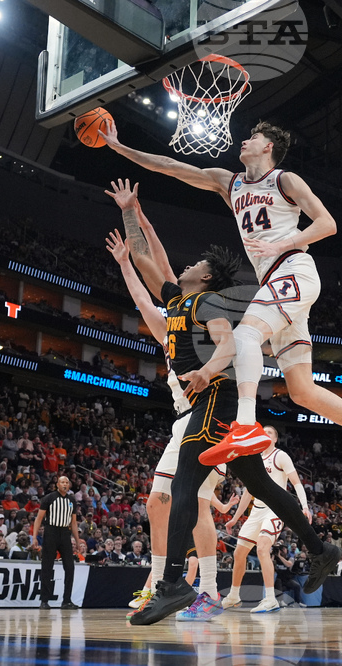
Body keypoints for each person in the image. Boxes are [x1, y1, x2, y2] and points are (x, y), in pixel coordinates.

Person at [100, 121, 342, 492]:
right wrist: (119, 147)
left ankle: (244, 425)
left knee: (246, 333)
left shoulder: (285, 180)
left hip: (293, 269)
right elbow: (170, 166)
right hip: (276, 282)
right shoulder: (230, 183)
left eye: (253, 137)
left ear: (268, 148)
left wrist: (284, 243)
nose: (244, 140)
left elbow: (328, 224)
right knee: (302, 391)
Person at [104, 186, 340, 626]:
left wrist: (206, 372)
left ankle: (173, 584)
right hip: (214, 401)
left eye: (195, 265)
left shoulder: (208, 302)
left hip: (216, 399)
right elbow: (143, 255)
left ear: (208, 277)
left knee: (183, 488)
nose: (186, 265)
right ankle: (321, 549)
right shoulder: (178, 299)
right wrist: (131, 211)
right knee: (262, 485)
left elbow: (229, 344)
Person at [105, 210, 235, 619]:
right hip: (194, 418)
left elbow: (159, 272)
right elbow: (147, 294)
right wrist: (129, 255)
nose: (182, 269)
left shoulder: (194, 318)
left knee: (174, 501)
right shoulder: (170, 329)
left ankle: (186, 586)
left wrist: (142, 222)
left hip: (207, 412)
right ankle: (181, 587)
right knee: (173, 503)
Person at [223, 425, 311, 613]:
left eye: (269, 432)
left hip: (275, 509)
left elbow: (296, 482)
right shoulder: (254, 459)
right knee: (239, 553)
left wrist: (304, 506)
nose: (265, 434)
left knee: (263, 548)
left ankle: (270, 599)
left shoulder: (280, 456)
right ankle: (234, 595)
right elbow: (248, 493)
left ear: (275, 439)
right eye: (263, 432)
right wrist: (234, 519)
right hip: (256, 511)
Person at [32, 475, 80, 610]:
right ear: (57, 485)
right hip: (51, 532)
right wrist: (34, 537)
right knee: (47, 566)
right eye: (62, 482)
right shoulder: (49, 498)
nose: (65, 484)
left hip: (65, 533)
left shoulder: (72, 500)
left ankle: (66, 600)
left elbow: (74, 522)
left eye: (67, 482)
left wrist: (77, 541)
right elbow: (39, 518)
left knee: (70, 567)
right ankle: (44, 600)